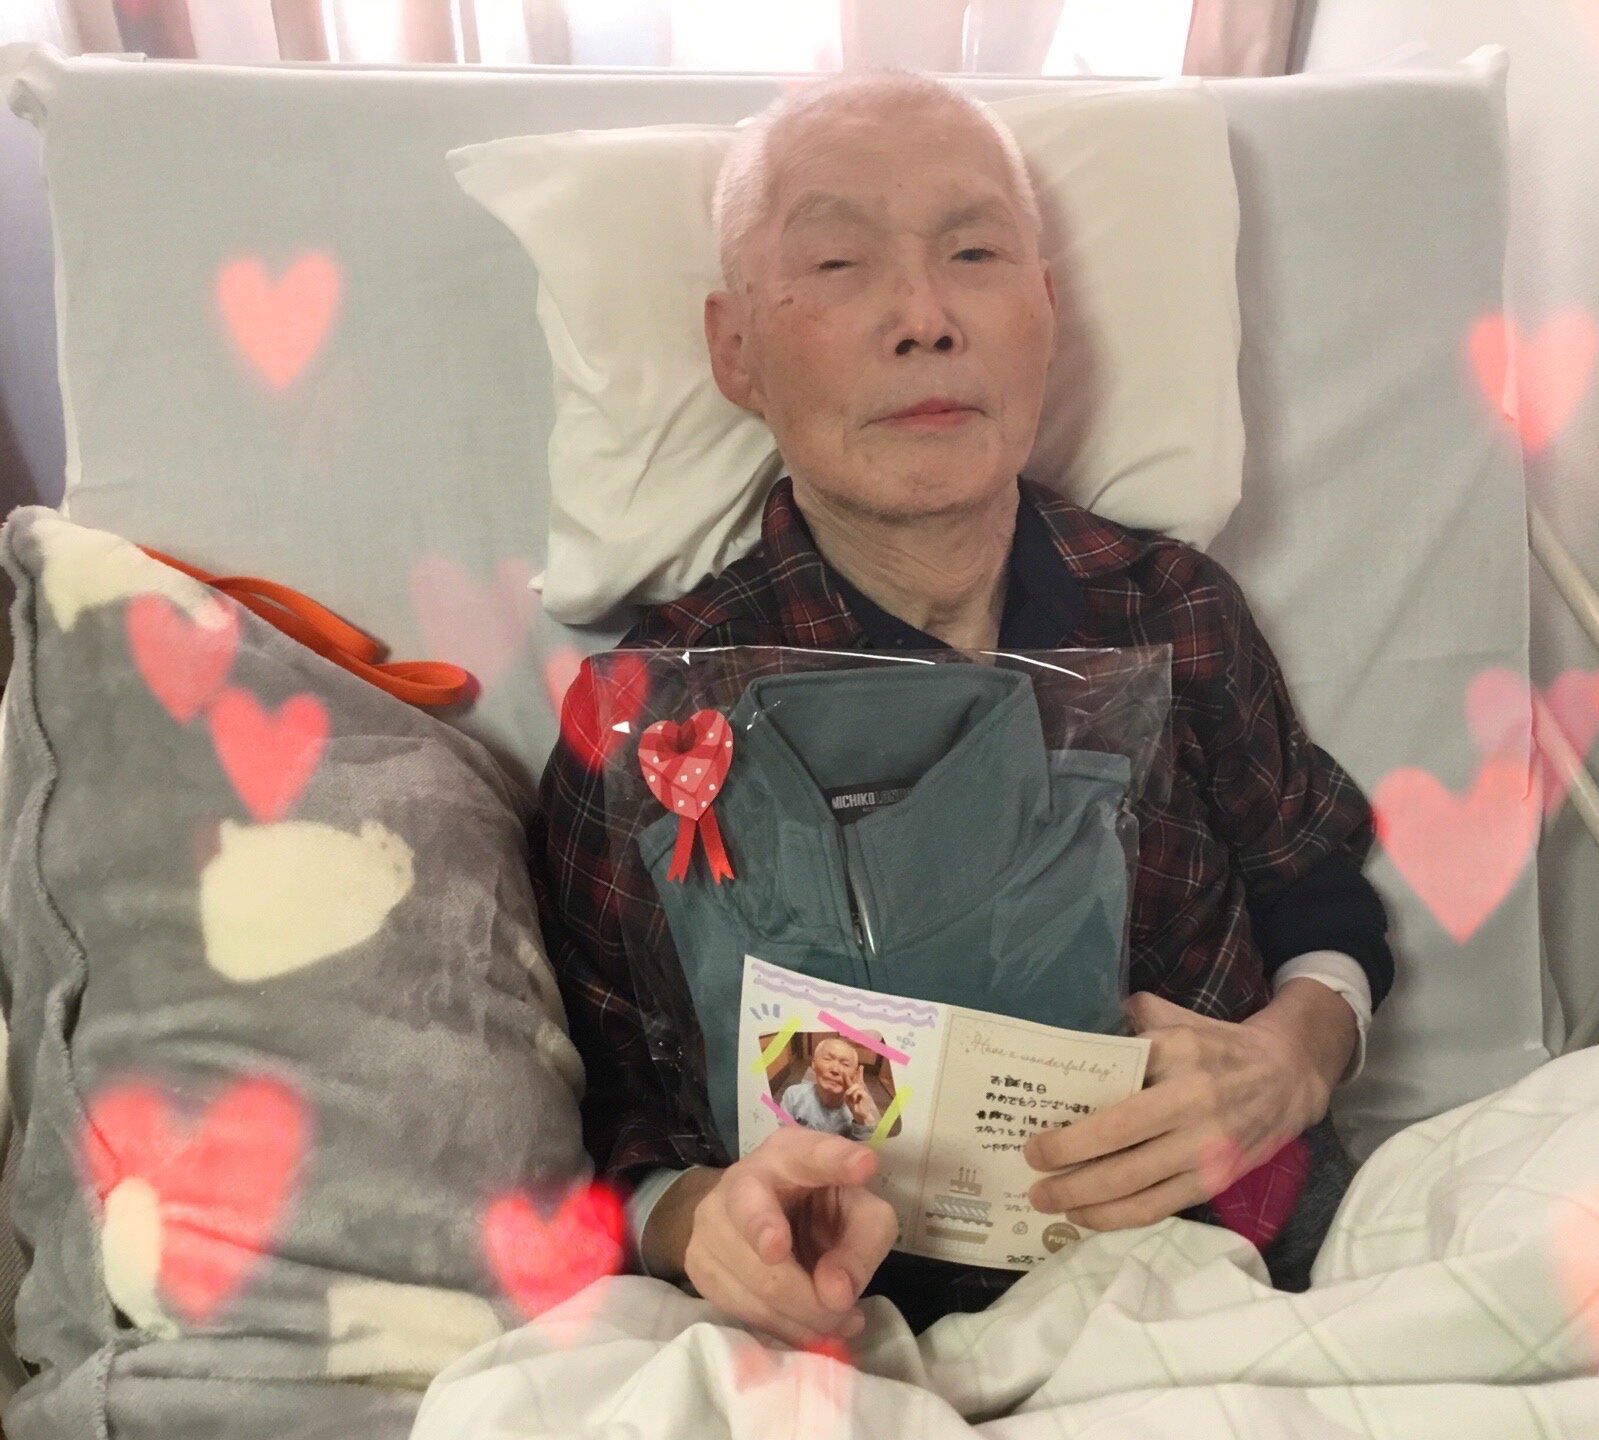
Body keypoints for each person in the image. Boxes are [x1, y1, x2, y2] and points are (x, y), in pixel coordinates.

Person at [531, 67, 1393, 1348]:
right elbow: (609, 1118)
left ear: (1044, 309)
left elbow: (1315, 889)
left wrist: (1297, 1056)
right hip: (852, 1334)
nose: (924, 319)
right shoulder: (652, 722)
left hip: (1241, 1282)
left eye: (974, 253)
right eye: (838, 264)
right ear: (734, 349)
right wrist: (700, 1222)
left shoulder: (1172, 613)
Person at [779, 1036, 880, 1142]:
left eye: (845, 1064)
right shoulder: (793, 1095)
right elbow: (782, 1137)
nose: (835, 1070)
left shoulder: (859, 1106)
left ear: (854, 1074)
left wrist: (861, 1120)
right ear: (813, 1064)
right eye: (827, 1059)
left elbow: (863, 1148)